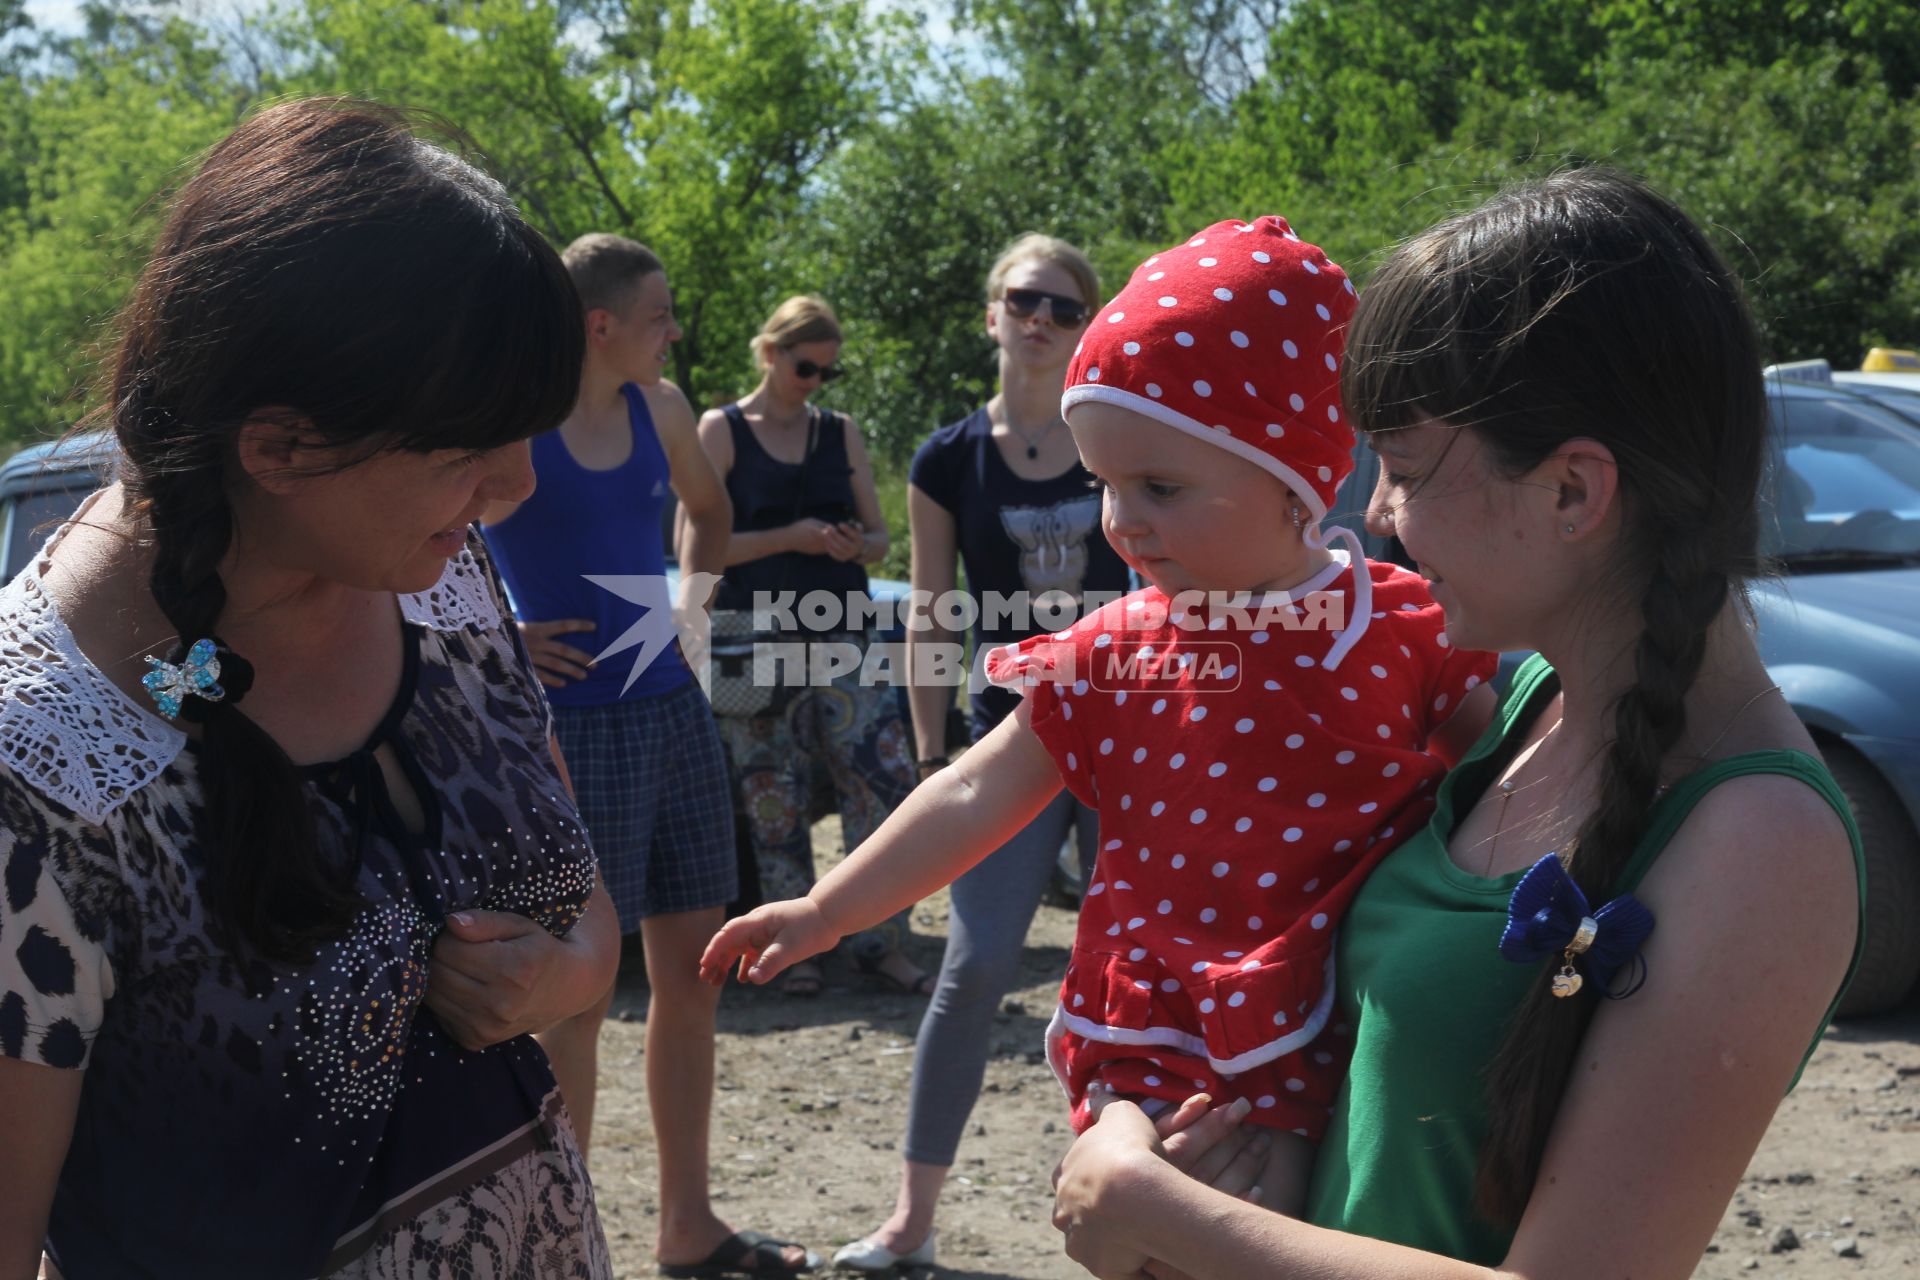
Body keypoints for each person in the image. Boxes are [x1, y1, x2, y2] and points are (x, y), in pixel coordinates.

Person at [1048, 170, 1866, 1280]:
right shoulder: (1528, 709)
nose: (1375, 514)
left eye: (1403, 466)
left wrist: (1151, 1207)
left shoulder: (1763, 840)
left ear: (1573, 492)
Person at [702, 217, 1499, 1218]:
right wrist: (828, 910)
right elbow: (973, 785)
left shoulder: (1400, 626)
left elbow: (1504, 784)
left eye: (1159, 486)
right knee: (1158, 1218)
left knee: (1292, 1224)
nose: (1120, 520)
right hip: (1160, 1037)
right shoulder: (1116, 648)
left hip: (1349, 1023)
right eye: (1106, 484)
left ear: (1293, 476)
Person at [0, 100, 621, 1277]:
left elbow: (576, 902)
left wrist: (566, 971)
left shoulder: (440, 573)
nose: (517, 487)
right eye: (467, 446)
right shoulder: (36, 762)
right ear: (278, 448)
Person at [482, 238, 814, 1278]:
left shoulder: (662, 410)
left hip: (671, 711)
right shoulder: (509, 421)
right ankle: (555, 1247)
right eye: (660, 313)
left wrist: (692, 611)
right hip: (567, 728)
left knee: (696, 971)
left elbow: (708, 517)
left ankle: (686, 1227)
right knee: (577, 1000)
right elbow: (436, 542)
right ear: (600, 325)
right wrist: (497, 636)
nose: (674, 331)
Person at [831, 234, 1130, 1273]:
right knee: (976, 964)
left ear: (1088, 319)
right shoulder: (947, 457)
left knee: (1144, 963)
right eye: (1022, 299)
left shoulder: (1119, 431)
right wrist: (925, 752)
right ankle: (910, 1222)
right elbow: (930, 607)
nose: (1039, 319)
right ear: (992, 314)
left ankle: (1148, 1212)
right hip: (1012, 728)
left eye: (1060, 303)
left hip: (1138, 722)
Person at [690, 295, 927, 999]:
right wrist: (790, 537)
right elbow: (701, 544)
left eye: (829, 370)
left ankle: (880, 945)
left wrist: (855, 544)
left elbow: (883, 538)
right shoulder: (720, 429)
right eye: (804, 366)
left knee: (880, 780)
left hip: (843, 627)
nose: (815, 381)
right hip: (746, 632)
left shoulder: (839, 432)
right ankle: (790, 954)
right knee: (773, 796)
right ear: (770, 353)